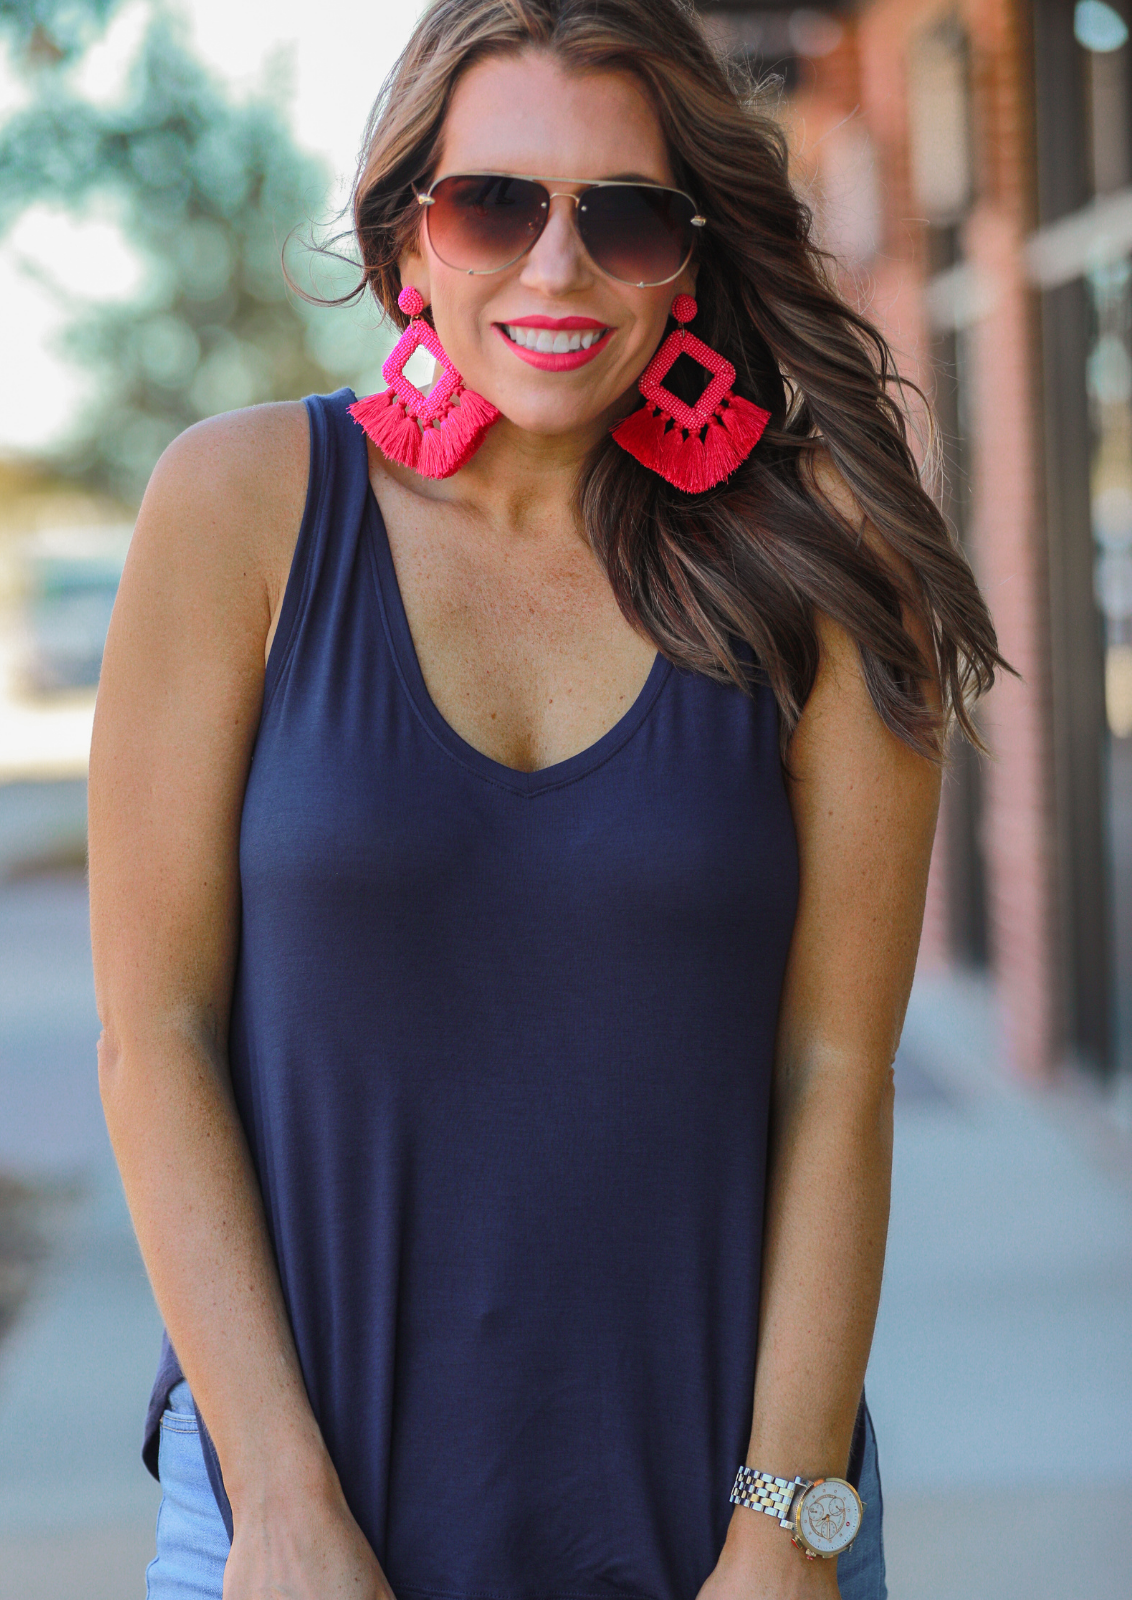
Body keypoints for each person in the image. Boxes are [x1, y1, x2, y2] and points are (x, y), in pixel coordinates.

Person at [89, 3, 1004, 1599]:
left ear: (693, 257)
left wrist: (784, 1532)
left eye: (625, 215)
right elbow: (153, 1035)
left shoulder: (821, 562)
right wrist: (280, 1508)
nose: (556, 267)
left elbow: (839, 1075)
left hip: (722, 1529)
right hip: (295, 1528)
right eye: (494, 202)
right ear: (408, 241)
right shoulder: (239, 508)